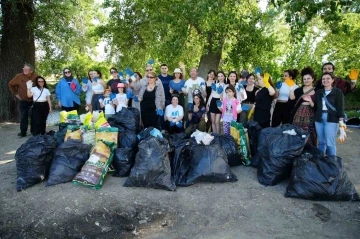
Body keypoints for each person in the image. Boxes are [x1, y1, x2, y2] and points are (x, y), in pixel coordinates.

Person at [313, 72, 345, 156]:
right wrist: (309, 101)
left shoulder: (338, 92)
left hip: (332, 119)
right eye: (323, 79)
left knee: (330, 143)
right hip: (319, 118)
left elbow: (340, 108)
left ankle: (332, 164)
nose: (325, 80)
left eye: (328, 78)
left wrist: (341, 124)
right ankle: (320, 162)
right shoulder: (319, 92)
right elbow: (315, 107)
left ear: (332, 80)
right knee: (321, 142)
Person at [8, 63, 38, 137]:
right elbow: (10, 84)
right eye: (23, 69)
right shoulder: (19, 76)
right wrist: (16, 94)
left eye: (26, 69)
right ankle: (23, 132)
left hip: (33, 101)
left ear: (31, 71)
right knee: (23, 116)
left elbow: (41, 86)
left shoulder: (36, 76)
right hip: (23, 100)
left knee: (34, 116)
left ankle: (33, 132)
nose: (24, 70)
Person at [289, 67, 317, 146]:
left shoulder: (317, 91)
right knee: (297, 131)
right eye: (304, 79)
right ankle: (297, 149)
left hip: (311, 114)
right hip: (299, 113)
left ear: (313, 79)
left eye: (308, 78)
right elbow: (292, 98)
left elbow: (318, 106)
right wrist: (291, 88)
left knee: (310, 132)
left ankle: (310, 150)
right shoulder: (298, 90)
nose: (306, 80)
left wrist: (310, 101)